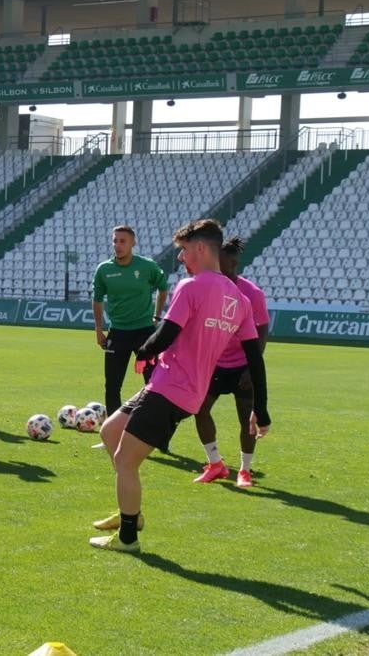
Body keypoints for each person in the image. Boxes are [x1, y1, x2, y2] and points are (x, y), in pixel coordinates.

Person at [90, 219, 270, 553]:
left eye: (184, 251)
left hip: (170, 389)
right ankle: (130, 511)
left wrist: (143, 353)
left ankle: (128, 537)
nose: (181, 259)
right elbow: (255, 359)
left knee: (125, 460)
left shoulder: (192, 286)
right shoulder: (239, 300)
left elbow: (165, 334)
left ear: (200, 249)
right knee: (110, 431)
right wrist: (262, 410)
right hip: (183, 390)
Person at [191, 237, 271, 487]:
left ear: (233, 262)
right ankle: (215, 463)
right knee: (199, 409)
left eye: (219, 260)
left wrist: (250, 366)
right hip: (214, 364)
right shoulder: (210, 287)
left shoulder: (252, 293)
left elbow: (263, 331)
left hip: (241, 367)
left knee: (246, 418)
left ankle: (244, 471)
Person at [91, 225, 168, 416]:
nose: (117, 245)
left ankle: (153, 431)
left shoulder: (147, 266)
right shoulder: (104, 269)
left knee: (153, 384)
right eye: (115, 240)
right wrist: (99, 330)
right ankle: (112, 433)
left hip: (145, 333)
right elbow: (97, 299)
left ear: (133, 243)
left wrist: (157, 316)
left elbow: (163, 288)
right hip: (117, 333)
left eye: (122, 241)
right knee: (112, 385)